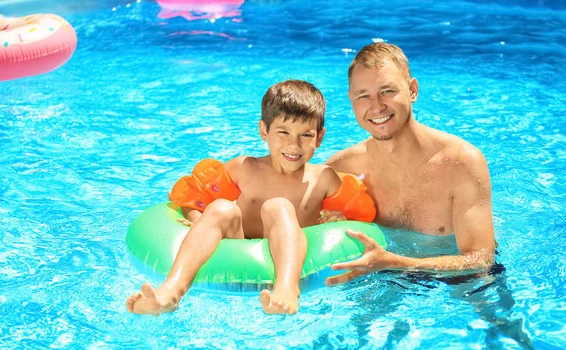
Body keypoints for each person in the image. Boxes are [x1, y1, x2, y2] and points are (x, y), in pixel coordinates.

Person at [126, 80, 375, 316]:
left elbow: (359, 218)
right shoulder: (245, 168)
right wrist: (197, 219)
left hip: (288, 252)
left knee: (278, 207)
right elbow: (193, 194)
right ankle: (171, 291)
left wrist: (337, 219)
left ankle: (287, 288)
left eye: (305, 135)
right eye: (283, 132)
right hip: (239, 243)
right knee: (222, 208)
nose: (294, 145)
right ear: (264, 131)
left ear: (319, 138)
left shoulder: (324, 179)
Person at [322, 42, 497, 284]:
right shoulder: (339, 169)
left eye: (387, 91)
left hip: (461, 280)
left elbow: (480, 259)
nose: (376, 106)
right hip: (379, 278)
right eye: (364, 96)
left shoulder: (462, 163)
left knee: (493, 311)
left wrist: (395, 263)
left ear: (412, 90)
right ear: (352, 100)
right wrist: (331, 224)